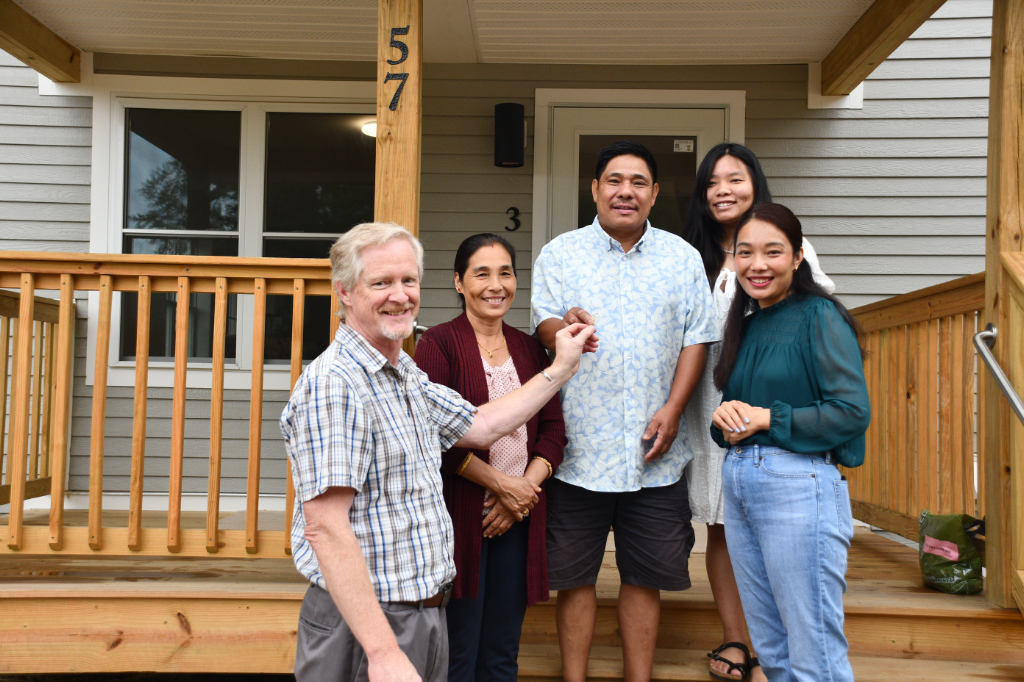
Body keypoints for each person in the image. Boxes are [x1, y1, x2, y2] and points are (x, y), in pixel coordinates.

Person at [280, 222, 596, 682]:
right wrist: (383, 652)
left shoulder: (402, 371)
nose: (400, 295)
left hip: (422, 613)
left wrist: (562, 366)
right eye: (381, 282)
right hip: (369, 625)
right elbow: (325, 528)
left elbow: (483, 423)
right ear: (344, 292)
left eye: (408, 281)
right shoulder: (336, 385)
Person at [532, 141, 717, 682]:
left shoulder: (682, 258)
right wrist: (561, 327)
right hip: (576, 448)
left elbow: (697, 340)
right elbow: (542, 325)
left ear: (655, 194)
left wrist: (675, 408)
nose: (625, 192)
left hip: (653, 448)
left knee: (645, 576)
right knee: (574, 576)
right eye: (614, 181)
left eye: (639, 182)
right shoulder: (560, 253)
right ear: (595, 189)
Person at [680, 142, 834, 681]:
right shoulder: (689, 255)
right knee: (723, 523)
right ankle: (737, 640)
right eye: (713, 183)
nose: (724, 190)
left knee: (778, 526)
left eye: (736, 179)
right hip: (708, 403)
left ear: (755, 184)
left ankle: (783, 647)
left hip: (773, 397)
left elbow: (814, 315)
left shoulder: (787, 246)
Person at [711, 203, 869, 682]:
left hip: (798, 485)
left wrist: (764, 417)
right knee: (773, 648)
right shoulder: (749, 322)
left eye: (773, 252)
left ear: (798, 258)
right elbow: (738, 418)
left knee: (813, 651)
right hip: (741, 482)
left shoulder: (819, 315)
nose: (757, 265)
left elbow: (851, 412)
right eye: (746, 253)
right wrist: (726, 417)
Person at [414, 233, 566, 682]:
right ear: (459, 282)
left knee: (501, 653)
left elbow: (553, 432)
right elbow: (434, 436)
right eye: (482, 273)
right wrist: (501, 485)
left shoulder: (529, 349)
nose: (495, 285)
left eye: (505, 273)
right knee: (459, 651)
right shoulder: (438, 345)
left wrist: (521, 491)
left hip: (519, 516)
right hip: (463, 517)